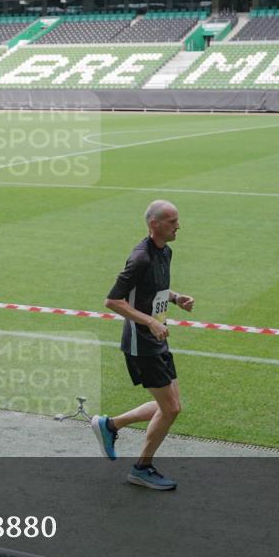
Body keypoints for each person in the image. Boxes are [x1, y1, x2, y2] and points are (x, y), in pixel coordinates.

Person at [93, 201, 194, 490]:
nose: (178, 226)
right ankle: (141, 468)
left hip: (158, 339)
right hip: (142, 344)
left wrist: (175, 298)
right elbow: (112, 301)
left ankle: (111, 425)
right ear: (155, 225)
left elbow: (153, 289)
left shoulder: (166, 251)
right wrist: (149, 322)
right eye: (172, 221)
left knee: (171, 405)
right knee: (171, 408)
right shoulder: (140, 258)